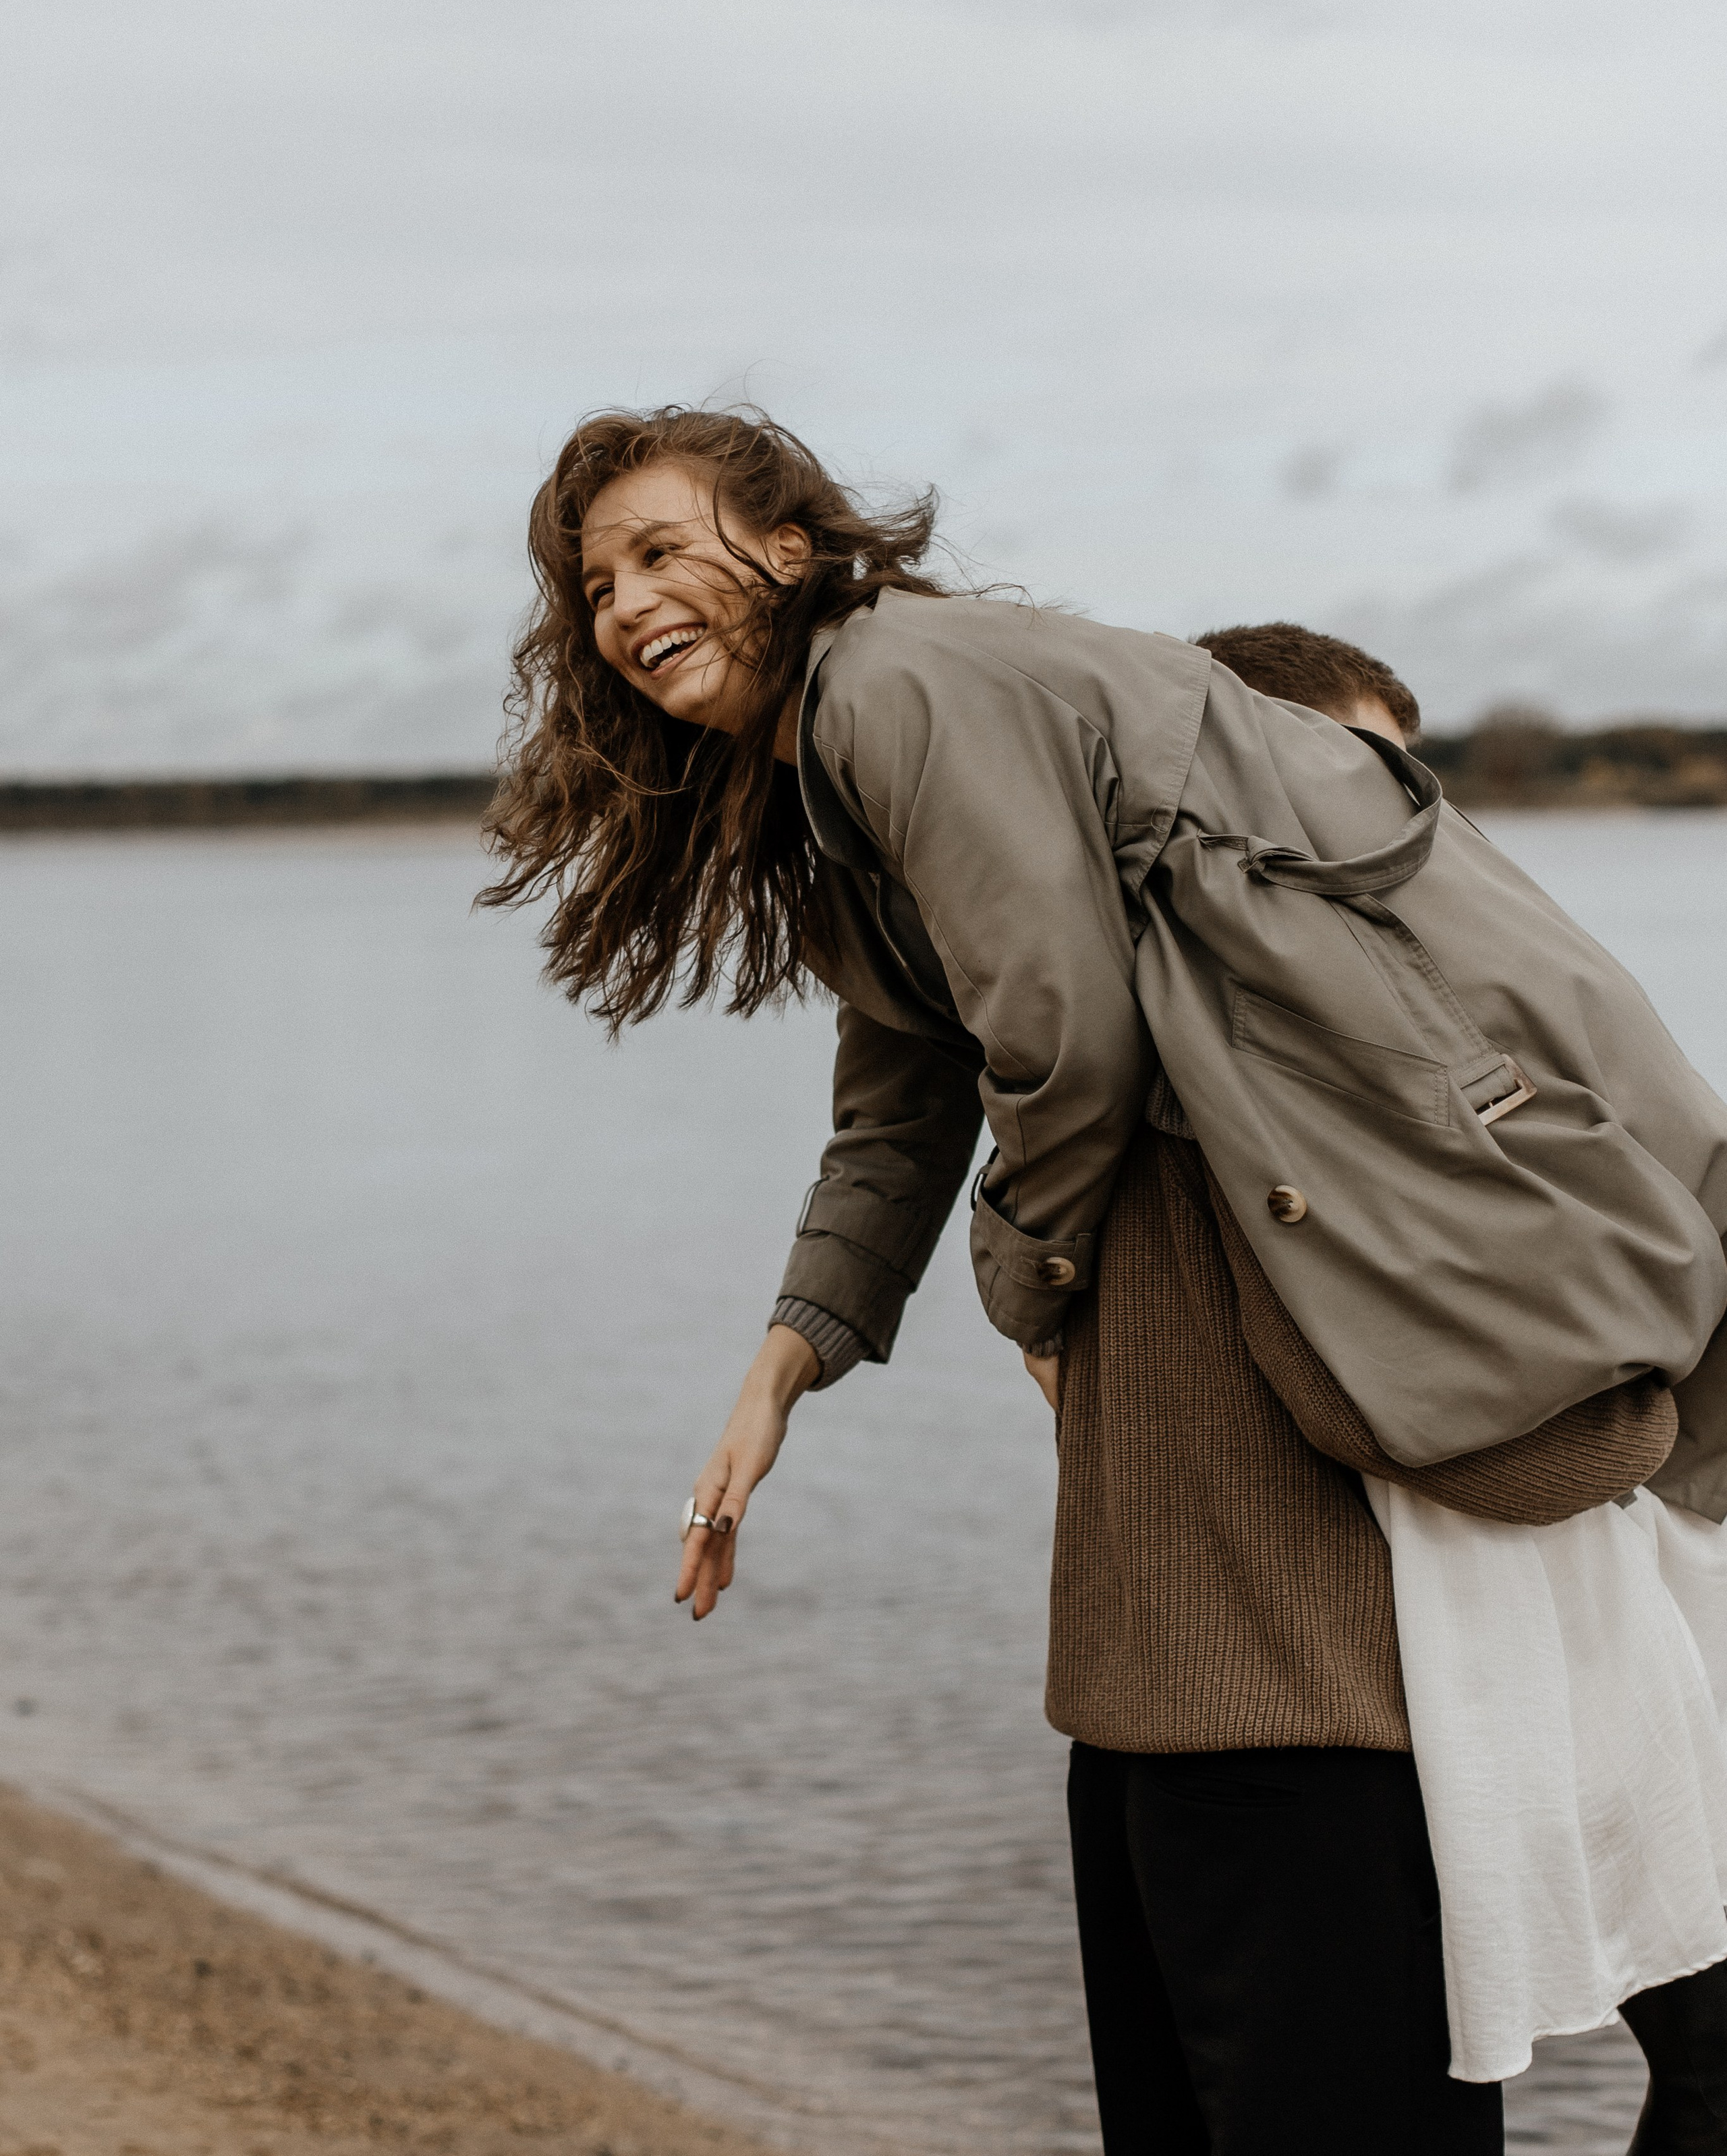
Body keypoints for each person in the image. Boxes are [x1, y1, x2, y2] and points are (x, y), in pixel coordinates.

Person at [482, 407, 1727, 2156]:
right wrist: (786, 1365)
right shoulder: (830, 785)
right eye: (597, 580)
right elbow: (902, 1108)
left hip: (1473, 1153)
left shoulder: (893, 683)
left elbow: (1058, 1031)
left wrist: (1027, 1284)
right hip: (1222, 1594)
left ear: (785, 541)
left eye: (661, 548)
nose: (624, 603)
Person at [1201, 621, 1727, 2156]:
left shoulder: (1469, 976)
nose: (1402, 819)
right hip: (1437, 1629)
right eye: (1356, 773)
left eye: (1408, 780)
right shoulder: (1216, 1038)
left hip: (1607, 1571)